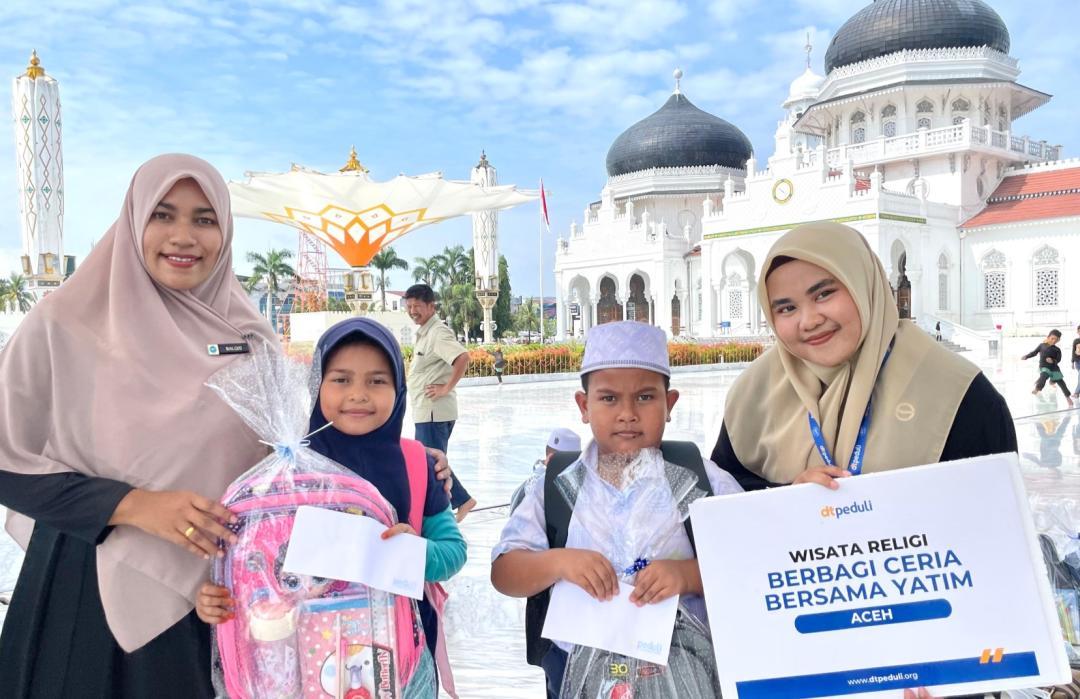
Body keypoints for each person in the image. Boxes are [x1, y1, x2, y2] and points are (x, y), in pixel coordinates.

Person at [0, 154, 281, 698]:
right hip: (87, 588)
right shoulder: (64, 325)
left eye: (205, 219)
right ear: (133, 221)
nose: (184, 236)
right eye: (163, 214)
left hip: (220, 597)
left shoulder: (251, 338)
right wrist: (135, 506)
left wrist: (400, 472)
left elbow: (287, 464)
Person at [710, 222, 1016, 699]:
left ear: (864, 283)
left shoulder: (958, 393)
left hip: (930, 663)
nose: (808, 320)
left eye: (825, 293)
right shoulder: (754, 397)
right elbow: (721, 523)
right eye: (785, 308)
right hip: (804, 655)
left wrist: (953, 667)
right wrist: (784, 501)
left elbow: (998, 541)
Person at [196, 317, 467, 692]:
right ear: (316, 385)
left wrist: (409, 552)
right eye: (341, 380)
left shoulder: (417, 463)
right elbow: (250, 565)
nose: (358, 394)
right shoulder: (284, 475)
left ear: (400, 388)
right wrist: (215, 597)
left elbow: (453, 552)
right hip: (297, 663)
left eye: (377, 380)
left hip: (400, 665)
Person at [491, 321, 742, 698]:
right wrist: (559, 562)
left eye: (645, 397)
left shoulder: (697, 478)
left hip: (686, 675)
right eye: (609, 398)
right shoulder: (558, 486)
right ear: (584, 406)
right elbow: (505, 572)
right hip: (579, 678)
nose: (627, 413)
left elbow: (751, 559)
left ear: (669, 404)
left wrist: (688, 575)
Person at [404, 283, 477, 521]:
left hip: (434, 412)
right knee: (430, 461)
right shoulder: (426, 331)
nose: (412, 310)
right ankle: (456, 502)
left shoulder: (437, 332)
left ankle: (457, 503)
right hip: (427, 411)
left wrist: (446, 387)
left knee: (431, 462)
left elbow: (462, 357)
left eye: (417, 306)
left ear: (431, 306)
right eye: (409, 306)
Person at [508, 428, 583, 514]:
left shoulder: (524, 488)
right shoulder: (540, 492)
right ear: (550, 459)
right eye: (573, 462)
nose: (576, 468)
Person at [1023, 330, 1074, 408]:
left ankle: (1068, 397)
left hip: (1054, 368)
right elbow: (1034, 352)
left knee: (1061, 383)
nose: (1054, 341)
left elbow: (1058, 360)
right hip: (1044, 366)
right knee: (1044, 375)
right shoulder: (1042, 345)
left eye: (1056, 340)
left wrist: (1053, 360)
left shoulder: (1057, 350)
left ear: (1058, 340)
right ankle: (1037, 388)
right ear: (1048, 337)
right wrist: (1026, 356)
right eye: (1052, 338)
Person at [1071, 325, 1080, 399]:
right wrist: (1072, 362)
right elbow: (1073, 352)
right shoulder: (1075, 340)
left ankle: (1076, 393)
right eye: (1079, 331)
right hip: (1077, 362)